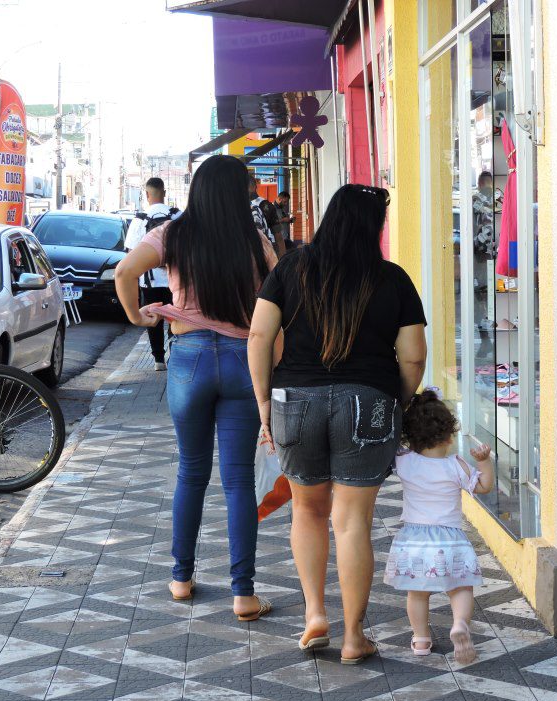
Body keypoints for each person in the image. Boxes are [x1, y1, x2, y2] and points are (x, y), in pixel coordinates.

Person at [247, 183, 427, 663]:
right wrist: (398, 404)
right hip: (368, 402)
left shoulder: (292, 268)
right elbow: (412, 359)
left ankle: (314, 616)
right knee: (352, 523)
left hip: (295, 401)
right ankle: (353, 636)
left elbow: (260, 334)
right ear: (374, 228)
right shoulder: (392, 279)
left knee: (307, 511)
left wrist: (265, 400)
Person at [114, 154, 277, 620]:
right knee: (238, 482)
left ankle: (181, 579)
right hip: (244, 361)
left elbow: (125, 273)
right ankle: (243, 593)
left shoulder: (173, 234)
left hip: (188, 360)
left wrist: (136, 316)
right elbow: (279, 301)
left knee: (191, 472)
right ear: (235, 194)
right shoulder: (256, 242)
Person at [384, 390, 493, 664]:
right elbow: (484, 486)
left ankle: (421, 639)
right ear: (449, 435)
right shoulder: (455, 465)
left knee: (417, 593)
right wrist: (483, 462)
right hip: (450, 540)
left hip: (415, 539)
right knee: (461, 588)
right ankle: (460, 625)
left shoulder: (404, 460)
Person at [124, 177, 180, 371]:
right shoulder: (177, 215)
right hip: (176, 280)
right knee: (176, 317)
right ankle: (175, 352)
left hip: (150, 280)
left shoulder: (140, 219)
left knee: (153, 317)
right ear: (164, 193)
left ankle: (158, 360)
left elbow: (131, 254)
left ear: (147, 194)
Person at [248, 175, 286, 257]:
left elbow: (278, 236)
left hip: (265, 252)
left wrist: (282, 259)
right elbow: (278, 236)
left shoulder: (265, 206)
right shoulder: (266, 205)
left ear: (254, 187)